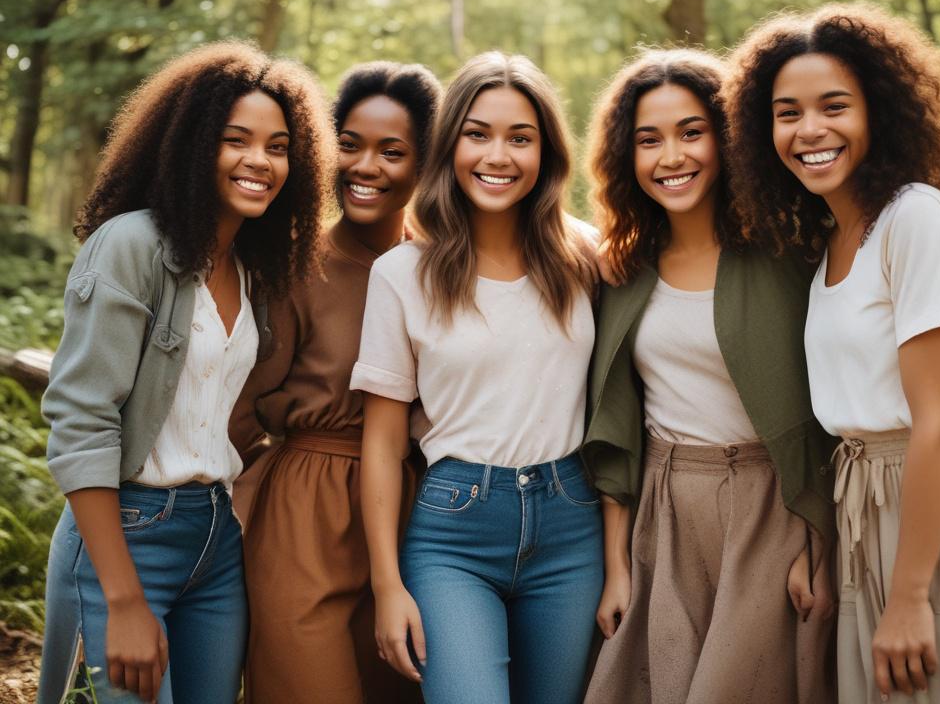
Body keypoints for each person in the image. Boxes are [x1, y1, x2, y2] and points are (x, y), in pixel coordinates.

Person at [726, 3, 940, 703]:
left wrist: (910, 596)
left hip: (935, 512)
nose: (809, 131)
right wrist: (831, 549)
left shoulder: (912, 216)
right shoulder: (831, 242)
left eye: (835, 106)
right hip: (864, 515)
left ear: (879, 113)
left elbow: (938, 421)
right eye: (786, 113)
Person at [36, 41, 333, 704]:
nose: (260, 160)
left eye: (279, 146)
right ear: (194, 144)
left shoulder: (252, 269)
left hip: (216, 538)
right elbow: (81, 423)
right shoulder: (132, 245)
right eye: (236, 140)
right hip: (128, 533)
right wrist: (123, 598)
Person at [580, 48, 836, 704]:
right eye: (649, 140)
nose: (672, 157)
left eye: (692, 132)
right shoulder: (624, 270)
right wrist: (616, 568)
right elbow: (616, 425)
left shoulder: (788, 252)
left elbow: (822, 410)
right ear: (625, 157)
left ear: (727, 140)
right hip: (661, 513)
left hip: (770, 508)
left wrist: (818, 543)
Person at [351, 51, 601, 704]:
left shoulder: (588, 258)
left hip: (572, 524)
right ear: (449, 145)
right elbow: (380, 441)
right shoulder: (403, 274)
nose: (498, 155)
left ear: (546, 152)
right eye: (477, 133)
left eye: (520, 138)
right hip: (453, 531)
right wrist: (387, 585)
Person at [228, 60, 441, 704]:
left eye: (392, 151)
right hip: (306, 514)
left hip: (415, 515)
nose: (364, 166)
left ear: (428, 163)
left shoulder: (444, 268)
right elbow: (237, 408)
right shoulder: (294, 265)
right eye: (349, 145)